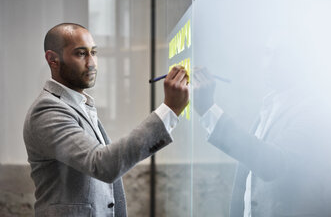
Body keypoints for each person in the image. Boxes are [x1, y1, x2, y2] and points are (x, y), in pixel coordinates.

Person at [23, 23, 189, 217]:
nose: (92, 62)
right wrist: (169, 109)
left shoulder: (79, 104)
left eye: (94, 52)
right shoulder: (47, 110)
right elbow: (102, 164)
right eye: (80, 54)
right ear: (53, 59)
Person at [193, 37, 331, 216]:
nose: (270, 62)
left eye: (281, 54)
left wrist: (208, 110)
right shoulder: (270, 106)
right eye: (268, 53)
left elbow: (271, 163)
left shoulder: (314, 109)